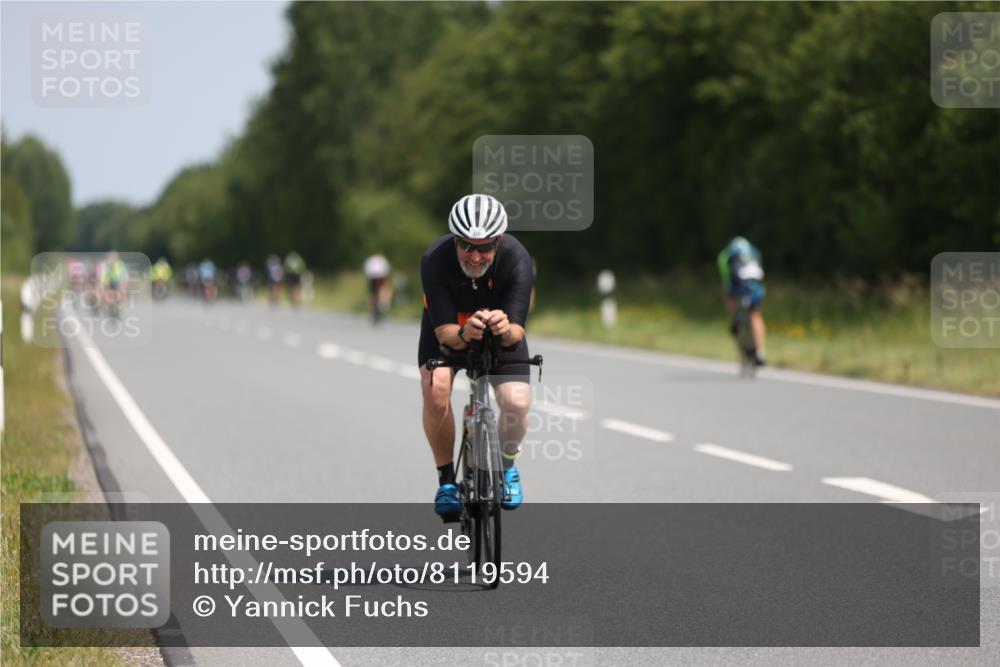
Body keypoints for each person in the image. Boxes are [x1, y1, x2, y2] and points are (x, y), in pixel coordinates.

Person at [419, 194, 535, 519]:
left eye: (485, 247)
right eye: (466, 245)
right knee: (435, 387)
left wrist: (504, 329)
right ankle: (446, 481)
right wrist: (463, 333)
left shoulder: (516, 258)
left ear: (499, 241)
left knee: (517, 403)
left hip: (501, 329)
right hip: (450, 327)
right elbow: (444, 333)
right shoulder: (435, 259)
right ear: (455, 239)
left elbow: (517, 332)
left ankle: (507, 467)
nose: (475, 255)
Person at [717, 236, 767, 365]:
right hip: (756, 284)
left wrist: (729, 291)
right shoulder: (754, 250)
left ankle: (734, 320)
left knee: (729, 296)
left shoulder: (726, 254)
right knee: (755, 315)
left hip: (739, 284)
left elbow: (726, 277)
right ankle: (760, 352)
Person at [363, 253, 392, 324]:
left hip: (376, 278)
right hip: (377, 278)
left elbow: (367, 271)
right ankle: (380, 305)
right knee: (377, 292)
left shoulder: (372, 260)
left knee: (375, 292)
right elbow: (387, 271)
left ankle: (379, 305)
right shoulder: (381, 260)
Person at [99, 250, 127, 316]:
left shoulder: (121, 265)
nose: (113, 259)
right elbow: (103, 276)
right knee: (104, 293)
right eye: (111, 257)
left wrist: (123, 285)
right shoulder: (105, 265)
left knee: (122, 293)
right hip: (108, 282)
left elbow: (125, 276)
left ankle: (120, 308)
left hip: (118, 282)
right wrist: (102, 285)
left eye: (114, 257)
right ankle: (106, 307)